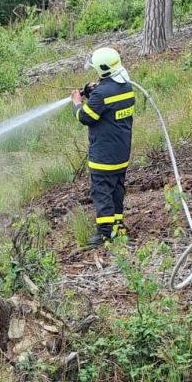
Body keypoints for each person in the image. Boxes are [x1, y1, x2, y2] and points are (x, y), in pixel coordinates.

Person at [71, 46, 135, 246]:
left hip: (104, 156)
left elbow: (85, 117)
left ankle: (105, 232)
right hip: (121, 153)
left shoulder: (102, 94)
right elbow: (108, 104)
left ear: (102, 68)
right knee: (117, 190)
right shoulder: (126, 87)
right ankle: (117, 226)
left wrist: (76, 103)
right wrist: (94, 89)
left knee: (102, 192)